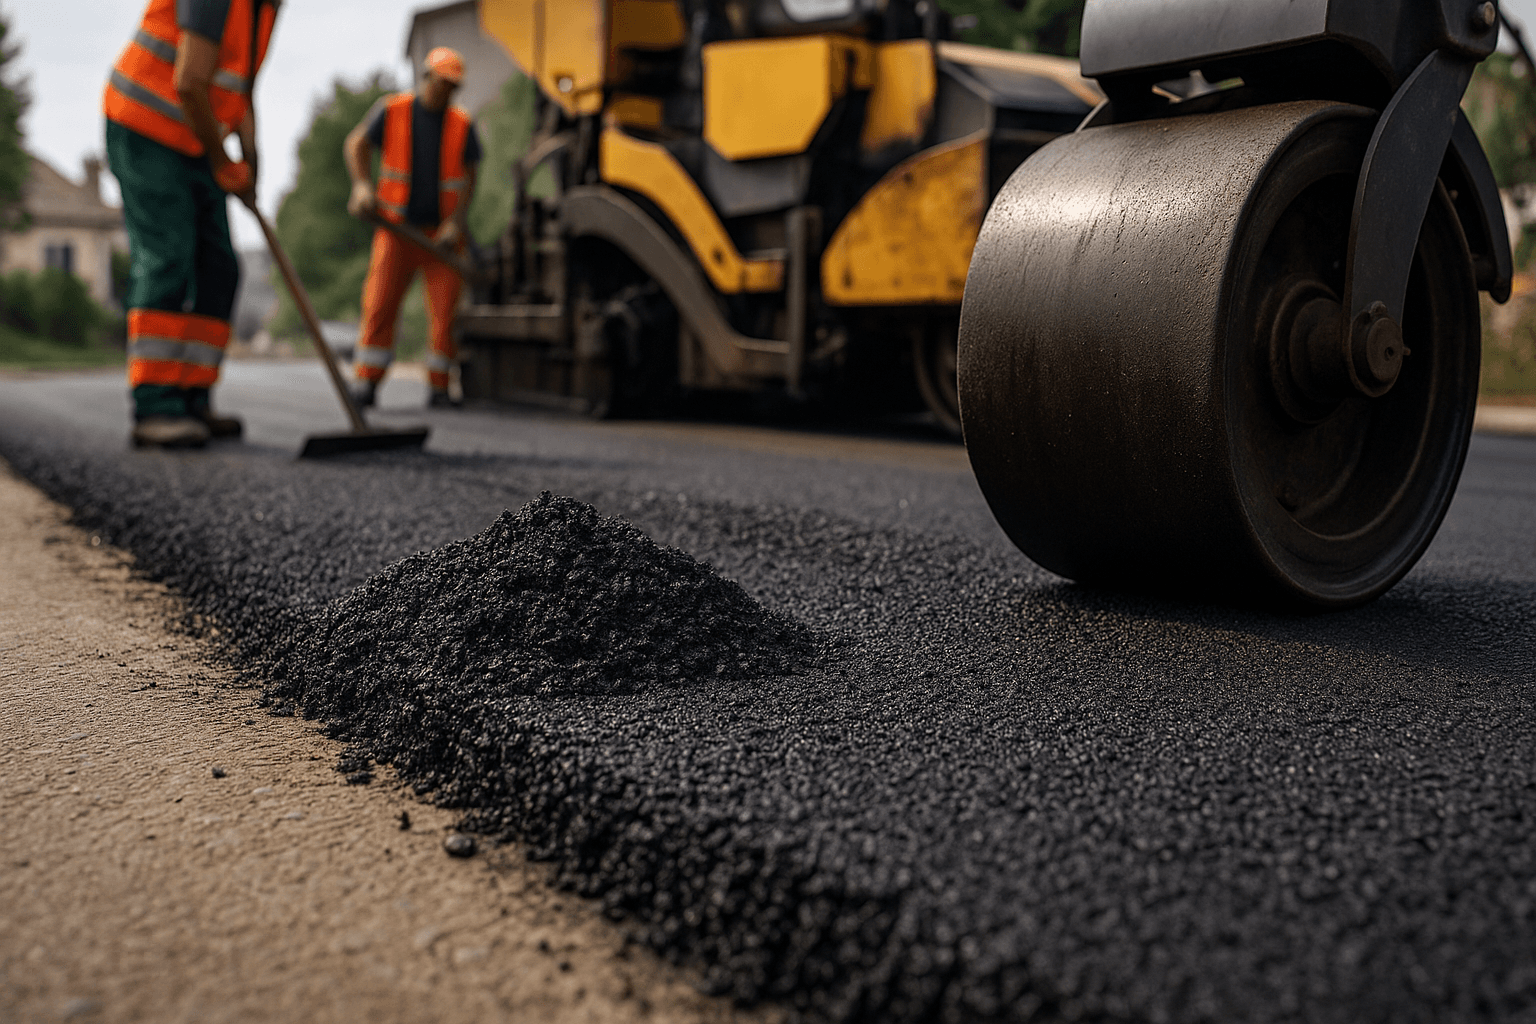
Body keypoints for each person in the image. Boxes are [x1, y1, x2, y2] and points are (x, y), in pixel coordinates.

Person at [104, 0, 279, 448]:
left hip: (196, 135)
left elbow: (239, 89)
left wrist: (251, 161)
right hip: (146, 125)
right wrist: (224, 164)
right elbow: (189, 80)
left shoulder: (268, 7)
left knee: (220, 266)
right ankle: (155, 406)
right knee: (168, 256)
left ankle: (193, 396)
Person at [344, 47, 481, 409]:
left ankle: (439, 387)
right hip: (396, 230)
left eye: (453, 86)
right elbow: (356, 143)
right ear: (425, 78)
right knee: (379, 305)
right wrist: (361, 185)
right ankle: (367, 383)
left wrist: (455, 222)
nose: (445, 91)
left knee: (445, 314)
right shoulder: (393, 111)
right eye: (441, 83)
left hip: (442, 240)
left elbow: (469, 176)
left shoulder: (461, 124)